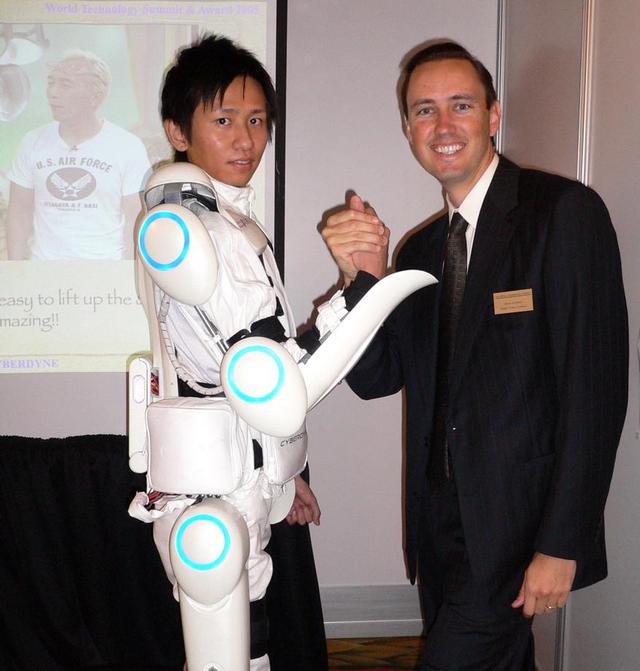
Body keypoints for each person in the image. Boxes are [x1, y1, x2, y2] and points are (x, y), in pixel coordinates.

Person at [322, 41, 628, 670]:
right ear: (408, 129)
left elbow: (595, 390)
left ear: (493, 115)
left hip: (517, 530)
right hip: (439, 527)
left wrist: (563, 542)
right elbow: (378, 378)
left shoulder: (562, 214)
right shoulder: (420, 251)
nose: (443, 126)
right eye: (424, 110)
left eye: (460, 105)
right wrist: (362, 278)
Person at [131, 34, 351, 671]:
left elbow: (255, 367)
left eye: (256, 121)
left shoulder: (229, 223)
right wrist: (357, 291)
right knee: (222, 626)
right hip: (213, 481)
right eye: (224, 120)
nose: (246, 140)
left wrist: (282, 467)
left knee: (246, 629)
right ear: (178, 131)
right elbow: (265, 371)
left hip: (238, 466)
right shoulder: (192, 229)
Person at [6, 50, 150, 259]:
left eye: (65, 84)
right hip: (43, 270)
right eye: (51, 82)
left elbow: (136, 218)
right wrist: (16, 269)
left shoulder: (127, 146)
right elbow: (19, 212)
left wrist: (128, 272)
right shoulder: (32, 142)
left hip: (104, 269)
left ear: (97, 96)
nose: (53, 93)